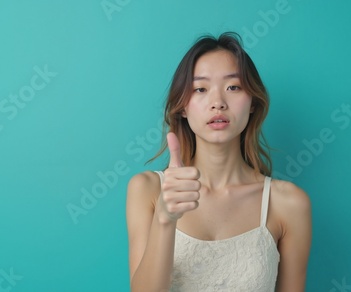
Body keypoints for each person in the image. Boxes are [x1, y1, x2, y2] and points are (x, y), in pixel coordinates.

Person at [126, 32, 312, 291]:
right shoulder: (147, 190)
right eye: (200, 89)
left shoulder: (289, 203)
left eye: (233, 87)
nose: (218, 103)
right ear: (182, 106)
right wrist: (166, 219)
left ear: (252, 104)